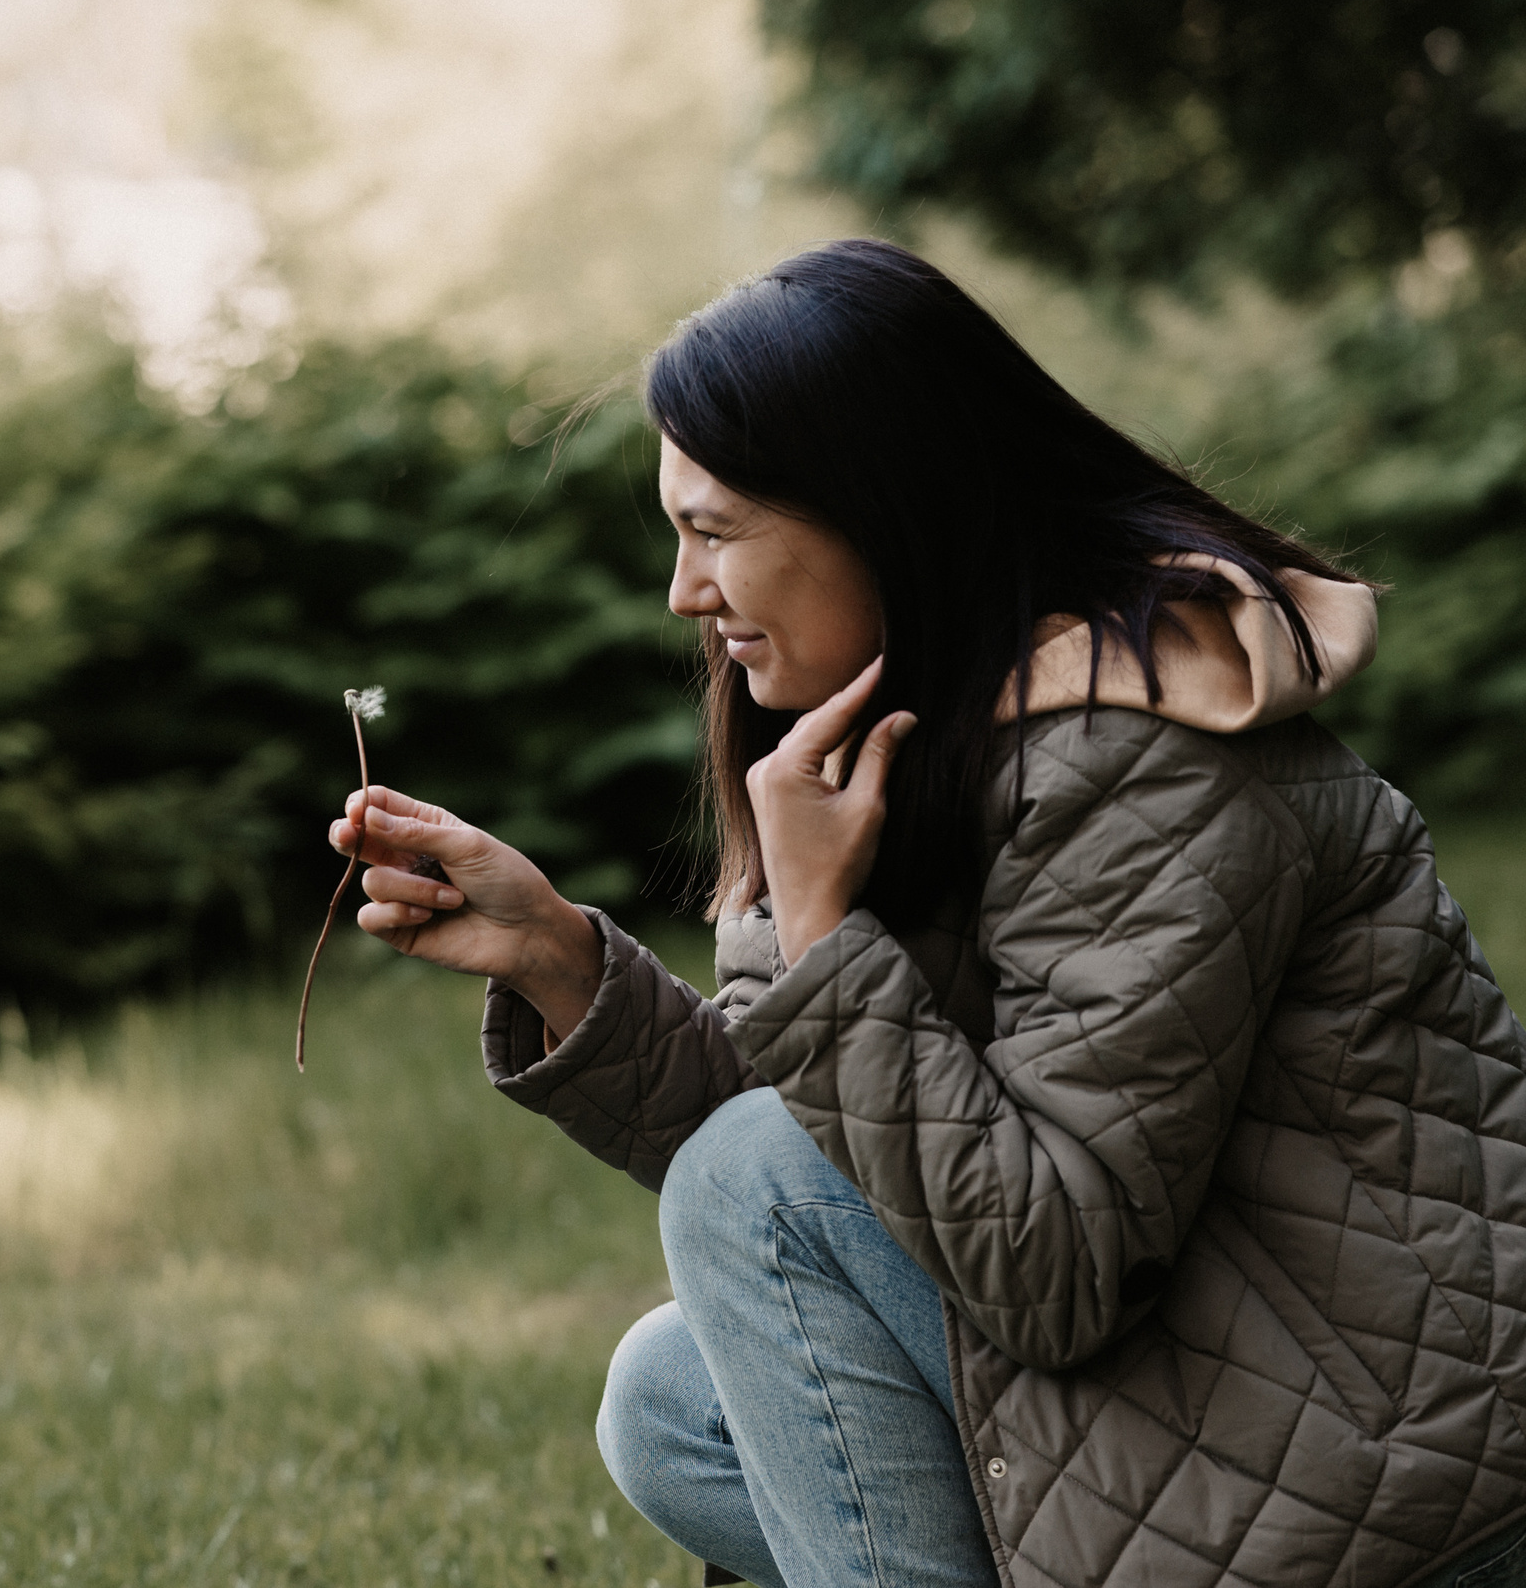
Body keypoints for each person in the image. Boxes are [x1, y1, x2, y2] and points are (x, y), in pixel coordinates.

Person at [330, 240, 1526, 1588]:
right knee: (670, 1392)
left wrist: (828, 940)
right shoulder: (932, 731)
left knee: (741, 1181)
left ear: (884, 508)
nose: (683, 591)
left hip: (1384, 1480)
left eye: (714, 530)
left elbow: (1050, 1269)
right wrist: (558, 956)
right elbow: (857, 1151)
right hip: (1210, 1392)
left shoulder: (1140, 761)